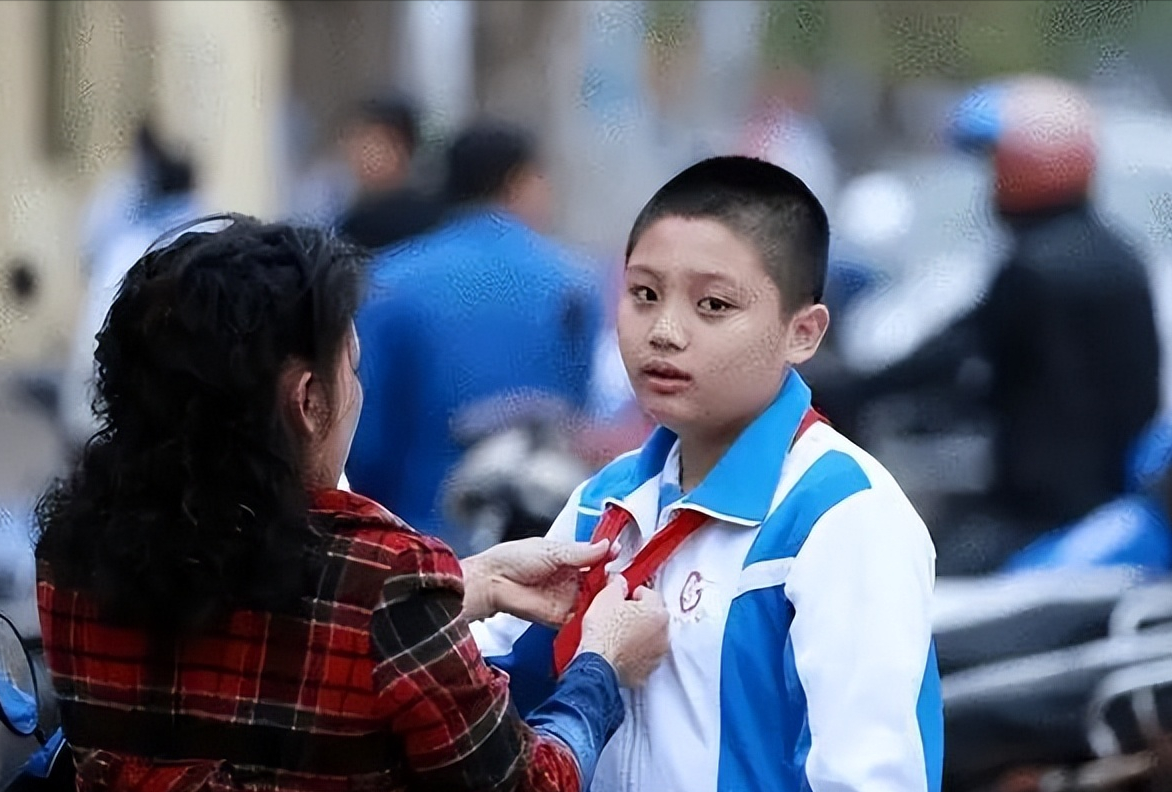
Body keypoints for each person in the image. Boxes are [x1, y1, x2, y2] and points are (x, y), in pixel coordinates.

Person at [34, 217, 670, 792]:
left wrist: (471, 582)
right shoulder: (382, 577)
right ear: (309, 402)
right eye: (354, 371)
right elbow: (528, 784)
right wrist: (602, 667)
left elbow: (259, 632)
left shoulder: (71, 549)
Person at [473, 157, 943, 792]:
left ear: (803, 332)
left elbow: (870, 778)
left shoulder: (839, 515)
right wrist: (471, 584)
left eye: (713, 305)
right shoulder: (604, 501)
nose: (664, 332)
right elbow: (472, 696)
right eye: (643, 294)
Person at [842, 76, 1162, 574]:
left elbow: (957, 352)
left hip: (1040, 512)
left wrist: (854, 389)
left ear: (1025, 166)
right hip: (1103, 499)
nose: (990, 182)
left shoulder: (1035, 267)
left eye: (996, 165)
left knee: (915, 580)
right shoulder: (1118, 255)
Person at [346, 122, 603, 555]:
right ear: (519, 181)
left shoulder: (388, 280)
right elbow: (579, 413)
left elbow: (365, 438)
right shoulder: (574, 282)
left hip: (413, 546)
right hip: (542, 544)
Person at [335, 95, 445, 251]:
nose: (356, 152)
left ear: (403, 147)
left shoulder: (429, 222)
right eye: (352, 139)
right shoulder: (349, 221)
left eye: (370, 143)